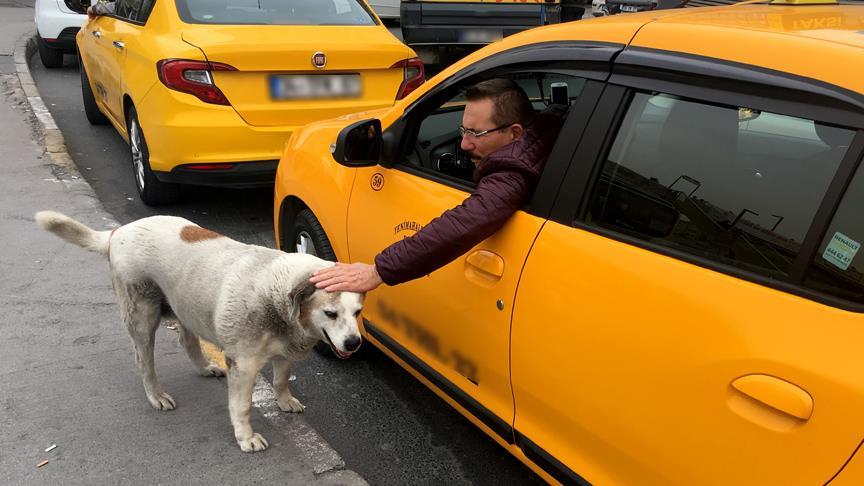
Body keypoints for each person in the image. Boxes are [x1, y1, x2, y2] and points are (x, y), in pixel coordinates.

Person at [310, 78, 567, 293]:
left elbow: (464, 222)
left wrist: (377, 270)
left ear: (515, 134)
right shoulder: (550, 126)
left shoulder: (513, 172)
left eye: (475, 134)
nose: (464, 144)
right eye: (463, 130)